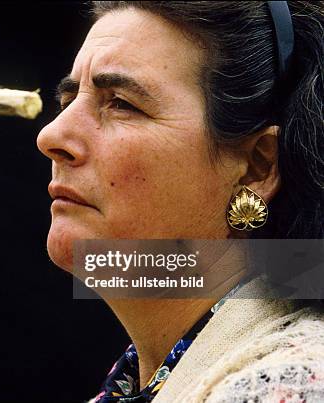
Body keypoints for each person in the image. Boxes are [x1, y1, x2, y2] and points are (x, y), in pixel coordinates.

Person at [36, 1, 324, 402]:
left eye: (121, 103)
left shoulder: (289, 383)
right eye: (69, 101)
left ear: (258, 166)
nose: (50, 137)